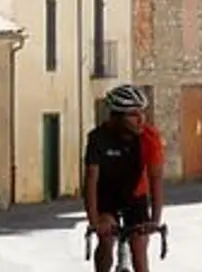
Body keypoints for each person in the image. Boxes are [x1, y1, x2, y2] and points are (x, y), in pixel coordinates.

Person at [84, 84, 164, 272]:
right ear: (117, 116)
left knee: (139, 248)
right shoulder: (98, 139)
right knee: (106, 240)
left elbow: (156, 179)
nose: (141, 119)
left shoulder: (149, 138)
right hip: (107, 196)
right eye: (133, 114)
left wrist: (155, 220)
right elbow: (91, 180)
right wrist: (94, 221)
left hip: (135, 195)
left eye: (142, 112)